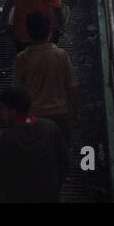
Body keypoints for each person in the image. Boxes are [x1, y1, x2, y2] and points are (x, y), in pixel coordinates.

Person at [13, 12, 80, 147]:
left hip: (33, 116)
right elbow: (72, 87)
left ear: (28, 33)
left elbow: (17, 91)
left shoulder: (22, 59)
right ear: (49, 31)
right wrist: (76, 111)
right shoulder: (61, 55)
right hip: (59, 115)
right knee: (61, 152)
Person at [0, 86, 69, 203]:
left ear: (12, 111)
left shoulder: (6, 138)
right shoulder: (51, 128)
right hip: (49, 195)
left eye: (2, 108)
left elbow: (2, 177)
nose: (0, 113)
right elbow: (63, 162)